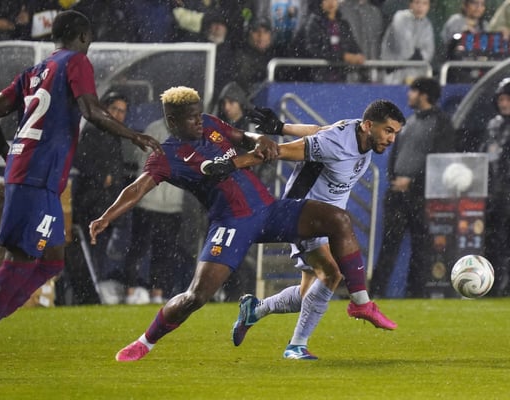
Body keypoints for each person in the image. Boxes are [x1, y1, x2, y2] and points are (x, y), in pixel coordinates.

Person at [0, 10, 162, 380]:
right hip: (36, 178)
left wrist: (11, 155)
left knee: (51, 262)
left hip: (39, 178)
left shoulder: (35, 71)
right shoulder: (76, 62)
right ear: (84, 37)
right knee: (20, 261)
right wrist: (134, 136)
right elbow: (91, 111)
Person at [89, 86, 372, 362]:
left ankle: (360, 302)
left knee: (338, 220)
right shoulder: (166, 156)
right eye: (191, 117)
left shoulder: (211, 125)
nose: (199, 120)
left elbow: (243, 136)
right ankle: (145, 342)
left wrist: (260, 140)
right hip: (231, 225)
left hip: (269, 210)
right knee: (195, 297)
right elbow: (137, 189)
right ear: (172, 121)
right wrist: (106, 216)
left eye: (199, 114)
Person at [229, 100, 405, 359]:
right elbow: (279, 151)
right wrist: (232, 164)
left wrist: (281, 126)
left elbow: (318, 130)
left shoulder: (354, 131)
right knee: (332, 274)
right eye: (388, 131)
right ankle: (296, 346)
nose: (391, 139)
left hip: (330, 223)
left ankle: (255, 310)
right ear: (369, 125)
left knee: (306, 295)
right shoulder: (338, 142)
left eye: (395, 133)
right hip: (303, 214)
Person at [370, 77, 455, 298]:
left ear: (424, 95)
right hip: (397, 194)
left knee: (421, 247)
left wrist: (413, 182)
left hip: (422, 196)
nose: (409, 94)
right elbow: (396, 155)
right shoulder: (409, 121)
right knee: (389, 245)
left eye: (413, 91)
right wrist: (394, 180)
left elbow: (440, 161)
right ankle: (375, 293)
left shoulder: (442, 123)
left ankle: (415, 293)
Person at [71, 91, 134, 305]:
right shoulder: (94, 129)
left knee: (101, 250)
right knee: (90, 251)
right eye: (114, 109)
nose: (118, 114)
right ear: (105, 108)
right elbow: (79, 159)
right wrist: (101, 177)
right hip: (91, 202)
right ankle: (89, 295)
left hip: (106, 203)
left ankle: (95, 293)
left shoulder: (114, 133)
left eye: (122, 111)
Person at [126, 117, 194, 305]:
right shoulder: (154, 128)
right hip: (148, 202)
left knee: (163, 253)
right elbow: (141, 159)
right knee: (139, 249)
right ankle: (130, 292)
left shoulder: (188, 134)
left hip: (172, 205)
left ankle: (157, 293)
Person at [480, 77, 510, 296]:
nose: (504, 103)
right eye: (501, 99)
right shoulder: (493, 125)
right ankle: (493, 285)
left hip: (505, 193)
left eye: (508, 99)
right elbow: (484, 158)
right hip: (494, 196)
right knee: (493, 240)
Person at [295, 0, 366, 82]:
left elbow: (353, 45)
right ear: (321, 3)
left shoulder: (343, 24)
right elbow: (315, 51)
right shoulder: (314, 23)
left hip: (341, 78)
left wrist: (358, 56)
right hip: (318, 79)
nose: (331, 2)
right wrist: (343, 57)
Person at [380, 0, 434, 84]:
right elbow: (404, 49)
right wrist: (417, 55)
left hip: (416, 75)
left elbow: (429, 52)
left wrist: (418, 56)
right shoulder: (400, 17)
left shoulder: (427, 23)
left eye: (424, 4)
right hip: (394, 74)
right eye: (417, 2)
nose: (420, 7)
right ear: (410, 4)